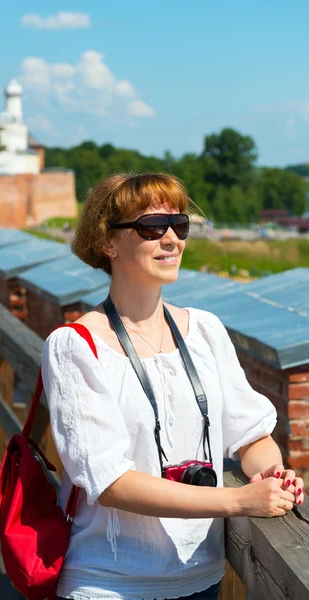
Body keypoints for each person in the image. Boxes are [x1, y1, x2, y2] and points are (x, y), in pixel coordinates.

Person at [42, 173, 304, 600]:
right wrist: (237, 502)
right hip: (111, 583)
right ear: (109, 242)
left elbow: (250, 433)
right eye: (151, 227)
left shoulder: (204, 331)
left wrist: (270, 474)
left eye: (179, 225)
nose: (171, 239)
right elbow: (110, 483)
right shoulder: (76, 347)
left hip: (202, 578)